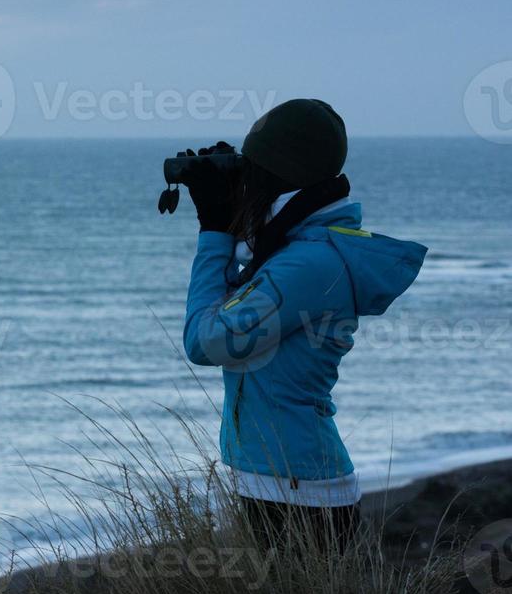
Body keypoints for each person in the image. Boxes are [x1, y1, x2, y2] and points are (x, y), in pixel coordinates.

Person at [178, 99, 428, 551]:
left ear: (277, 175)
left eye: (251, 167)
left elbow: (206, 341)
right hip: (278, 480)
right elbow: (241, 294)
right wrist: (232, 218)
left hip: (299, 490)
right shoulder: (292, 251)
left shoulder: (310, 264)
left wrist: (213, 229)